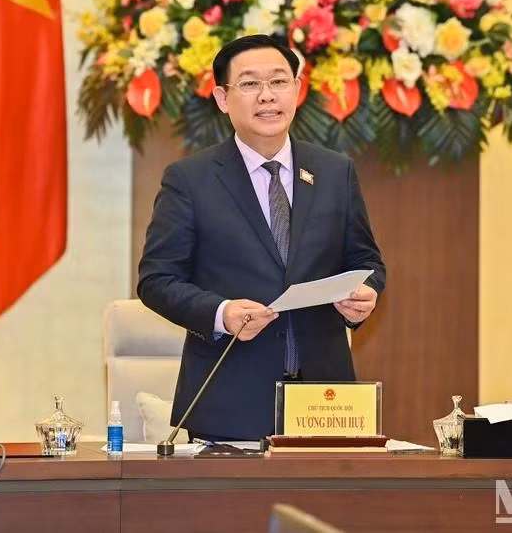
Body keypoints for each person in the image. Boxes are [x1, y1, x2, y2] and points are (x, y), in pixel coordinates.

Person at [137, 34, 386, 441]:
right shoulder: (190, 179)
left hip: (326, 403)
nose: (267, 96)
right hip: (230, 400)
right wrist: (221, 313)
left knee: (322, 508)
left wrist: (364, 293)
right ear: (221, 98)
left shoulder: (334, 171)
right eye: (250, 84)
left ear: (297, 89)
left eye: (279, 81)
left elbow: (367, 261)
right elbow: (156, 280)